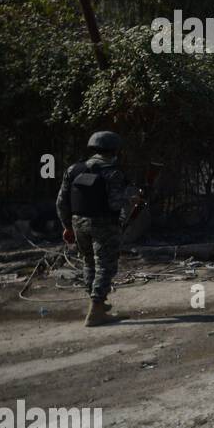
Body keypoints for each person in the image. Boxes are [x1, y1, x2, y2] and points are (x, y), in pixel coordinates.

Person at [56, 131, 141, 327]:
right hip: (104, 224)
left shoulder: (73, 169)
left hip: (78, 223)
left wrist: (67, 226)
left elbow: (61, 202)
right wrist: (131, 199)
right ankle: (96, 310)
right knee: (105, 265)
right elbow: (114, 204)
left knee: (88, 263)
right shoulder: (113, 172)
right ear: (114, 150)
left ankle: (98, 304)